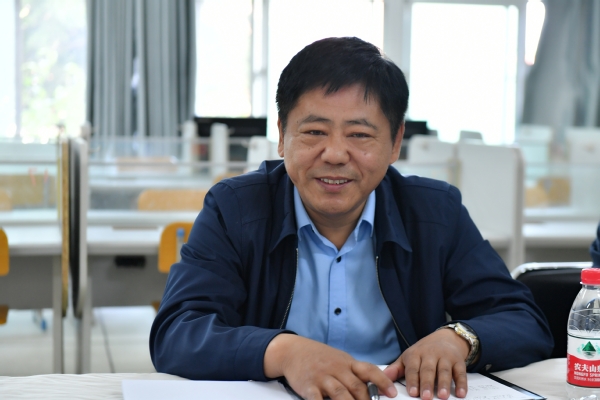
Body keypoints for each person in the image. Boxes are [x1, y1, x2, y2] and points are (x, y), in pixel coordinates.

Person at [150, 37, 552, 400]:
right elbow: (177, 331)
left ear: (395, 142)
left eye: (359, 135)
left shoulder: (435, 213)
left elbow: (522, 320)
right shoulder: (235, 209)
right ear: (282, 135)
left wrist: (458, 339)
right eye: (314, 132)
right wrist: (284, 352)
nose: (335, 154)